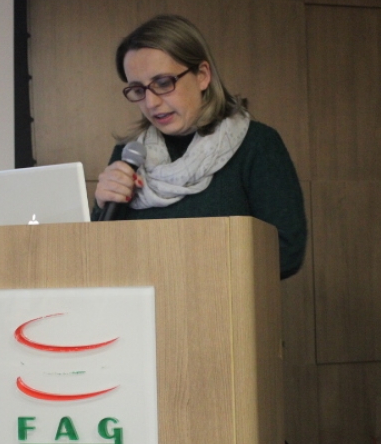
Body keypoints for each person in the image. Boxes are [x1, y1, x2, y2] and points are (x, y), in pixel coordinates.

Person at [92, 14, 307, 279]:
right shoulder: (129, 154)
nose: (151, 103)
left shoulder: (257, 145)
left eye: (163, 83)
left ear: (202, 76)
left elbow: (286, 251)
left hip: (221, 302)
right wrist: (102, 205)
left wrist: (185, 272)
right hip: (141, 304)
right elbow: (100, 256)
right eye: (138, 89)